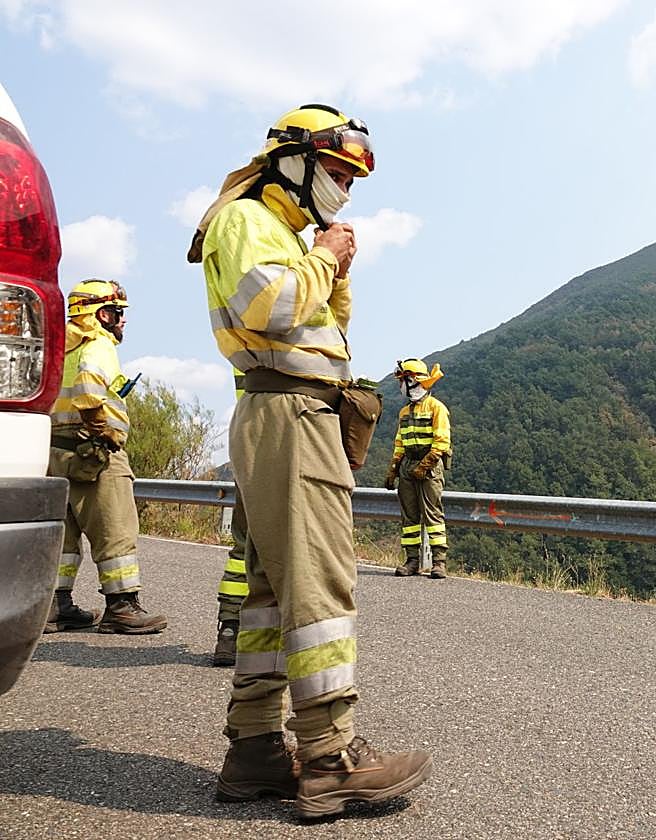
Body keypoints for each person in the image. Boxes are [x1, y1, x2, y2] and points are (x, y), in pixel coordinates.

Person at [190, 103, 432, 818]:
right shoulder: (247, 220)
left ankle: (256, 750)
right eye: (336, 172)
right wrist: (325, 256)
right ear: (292, 161)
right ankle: (331, 758)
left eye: (352, 180)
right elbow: (272, 309)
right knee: (321, 584)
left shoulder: (284, 232)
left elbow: (325, 326)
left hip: (293, 412)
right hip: (290, 414)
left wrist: (335, 270)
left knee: (271, 592)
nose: (344, 190)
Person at [45, 279, 169, 634]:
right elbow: (88, 391)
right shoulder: (98, 343)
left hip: (54, 452)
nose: (122, 320)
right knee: (116, 530)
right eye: (117, 312)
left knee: (63, 534)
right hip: (95, 453)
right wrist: (102, 430)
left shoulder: (58, 348)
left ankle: (56, 607)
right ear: (101, 315)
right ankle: (122, 608)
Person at [385, 358, 452, 579]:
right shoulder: (404, 412)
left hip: (430, 467)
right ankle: (412, 561)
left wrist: (424, 466)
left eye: (402, 380)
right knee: (409, 517)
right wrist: (393, 469)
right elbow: (400, 443)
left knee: (433, 514)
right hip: (407, 466)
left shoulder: (436, 408)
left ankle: (439, 562)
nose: (400, 385)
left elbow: (442, 442)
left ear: (413, 380)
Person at [211, 370, 247, 667]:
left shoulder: (244, 343)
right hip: (298, 439)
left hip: (250, 439)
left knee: (244, 549)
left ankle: (230, 630)